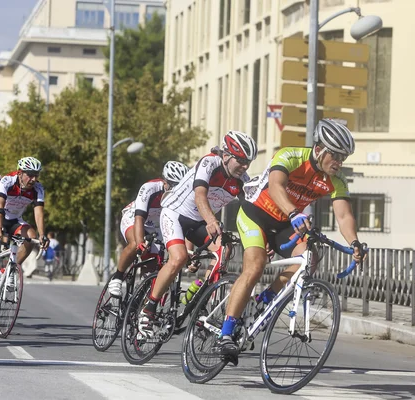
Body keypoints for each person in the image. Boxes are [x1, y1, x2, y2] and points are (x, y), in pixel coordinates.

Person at [215, 119, 367, 356]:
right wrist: (294, 212)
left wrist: (354, 243)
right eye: (335, 156)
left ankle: (266, 298)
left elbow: (344, 215)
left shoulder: (336, 180)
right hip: (256, 213)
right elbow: (276, 186)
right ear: (319, 150)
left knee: (310, 257)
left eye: (343, 158)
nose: (339, 162)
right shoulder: (291, 156)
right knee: (255, 265)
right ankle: (225, 332)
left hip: (286, 223)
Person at [138, 131, 258, 338]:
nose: (245, 166)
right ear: (227, 155)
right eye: (241, 161)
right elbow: (200, 194)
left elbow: (254, 210)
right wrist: (212, 220)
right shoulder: (209, 163)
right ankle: (148, 310)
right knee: (179, 258)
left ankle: (201, 302)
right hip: (175, 213)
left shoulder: (242, 181)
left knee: (224, 250)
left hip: (198, 221)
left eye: (248, 162)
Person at [0, 156, 49, 324]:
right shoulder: (8, 181)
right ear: (20, 173)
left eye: (37, 175)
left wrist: (42, 234)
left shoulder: (38, 189)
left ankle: (7, 271)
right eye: (30, 175)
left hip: (14, 220)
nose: (34, 179)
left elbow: (38, 212)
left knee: (31, 236)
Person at [108, 161, 190, 296]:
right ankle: (117, 277)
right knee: (135, 243)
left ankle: (140, 296)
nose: (176, 191)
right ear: (165, 182)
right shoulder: (149, 188)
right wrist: (141, 243)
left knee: (153, 264)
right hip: (135, 217)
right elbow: (139, 218)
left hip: (156, 224)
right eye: (174, 186)